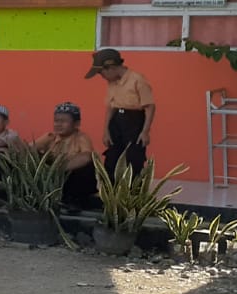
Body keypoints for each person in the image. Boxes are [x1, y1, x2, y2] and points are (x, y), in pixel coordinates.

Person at [86, 48, 155, 177]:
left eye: (101, 73)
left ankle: (132, 188)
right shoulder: (112, 82)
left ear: (111, 68)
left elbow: (150, 106)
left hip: (134, 121)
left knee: (133, 159)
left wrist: (145, 132)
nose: (102, 77)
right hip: (116, 120)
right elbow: (111, 107)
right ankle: (111, 187)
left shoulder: (137, 80)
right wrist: (106, 130)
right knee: (112, 158)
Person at [36, 102, 98, 211]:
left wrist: (60, 168)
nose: (58, 124)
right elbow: (28, 149)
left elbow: (86, 157)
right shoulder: (50, 137)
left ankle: (75, 201)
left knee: (87, 166)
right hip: (52, 181)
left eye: (64, 121)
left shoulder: (81, 138)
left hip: (71, 179)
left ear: (76, 124)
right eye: (56, 121)